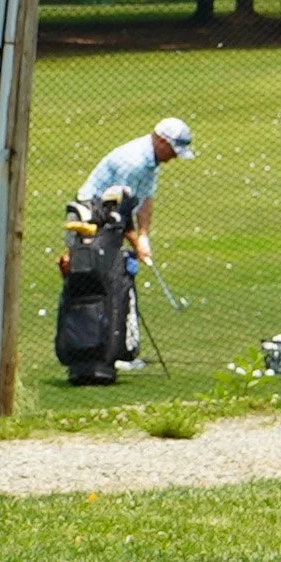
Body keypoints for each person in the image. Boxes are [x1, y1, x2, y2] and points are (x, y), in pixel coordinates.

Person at [75, 117, 195, 371]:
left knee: (117, 281)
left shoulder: (151, 162)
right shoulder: (134, 162)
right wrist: (136, 243)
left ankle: (116, 351)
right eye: (173, 150)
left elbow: (145, 199)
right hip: (91, 215)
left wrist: (144, 235)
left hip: (111, 216)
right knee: (101, 284)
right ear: (161, 141)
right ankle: (100, 352)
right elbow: (121, 209)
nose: (174, 157)